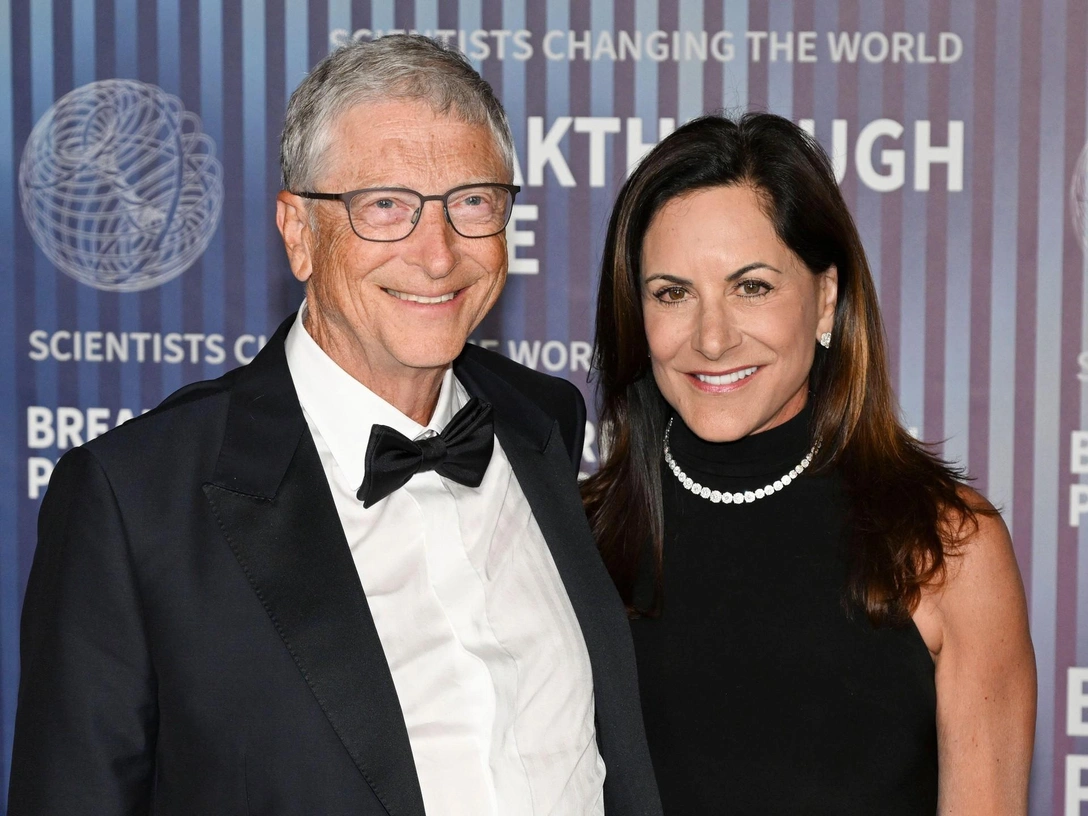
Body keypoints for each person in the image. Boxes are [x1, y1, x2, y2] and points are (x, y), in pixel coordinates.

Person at [9, 35, 662, 816]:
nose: (437, 254)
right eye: (384, 205)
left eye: (472, 202)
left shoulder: (542, 422)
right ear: (299, 233)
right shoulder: (137, 502)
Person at [582, 112, 1036, 814]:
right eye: (673, 293)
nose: (711, 338)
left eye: (752, 287)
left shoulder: (946, 548)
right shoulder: (574, 541)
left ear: (825, 299)